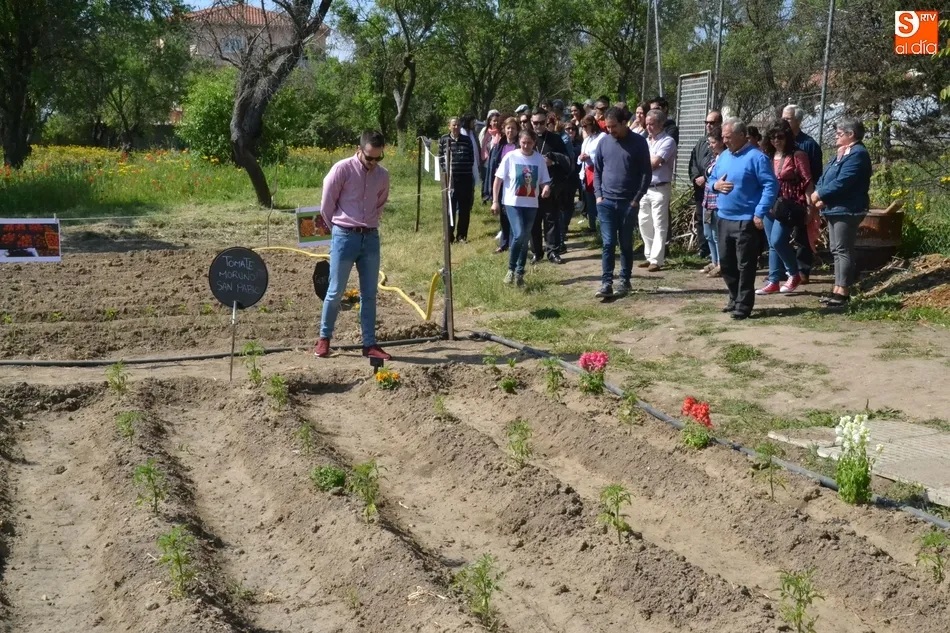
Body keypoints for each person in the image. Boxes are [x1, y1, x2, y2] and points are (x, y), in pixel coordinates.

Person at [315, 130, 392, 360]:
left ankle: (369, 344)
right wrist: (340, 229)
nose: (373, 163)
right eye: (369, 157)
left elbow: (380, 203)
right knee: (335, 290)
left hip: (370, 238)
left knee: (369, 293)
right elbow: (326, 205)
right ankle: (324, 339)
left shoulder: (383, 176)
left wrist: (368, 224)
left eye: (379, 158)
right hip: (344, 236)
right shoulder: (342, 169)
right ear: (359, 150)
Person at [709, 118, 779, 320]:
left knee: (745, 264)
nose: (725, 141)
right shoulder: (723, 157)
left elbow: (770, 186)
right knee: (727, 263)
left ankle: (744, 304)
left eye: (728, 137)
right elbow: (712, 179)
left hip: (746, 220)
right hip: (723, 217)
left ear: (742, 136)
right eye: (723, 137)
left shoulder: (757, 158)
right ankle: (734, 296)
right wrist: (716, 186)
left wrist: (760, 211)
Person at [810, 118, 872, 307]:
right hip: (834, 208)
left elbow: (844, 182)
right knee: (835, 249)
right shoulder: (842, 153)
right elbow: (825, 176)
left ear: (851, 134)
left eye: (839, 133)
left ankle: (843, 292)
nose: (836, 136)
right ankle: (837, 288)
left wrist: (820, 194)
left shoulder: (858, 154)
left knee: (843, 250)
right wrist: (819, 193)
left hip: (848, 209)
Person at [592, 107, 652, 298]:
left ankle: (625, 280)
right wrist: (598, 196)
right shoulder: (603, 142)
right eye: (608, 127)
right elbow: (598, 171)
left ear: (624, 122)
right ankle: (606, 283)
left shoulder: (639, 143)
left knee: (625, 244)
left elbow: (646, 173)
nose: (610, 130)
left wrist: (636, 200)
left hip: (628, 203)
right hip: (606, 202)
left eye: (614, 126)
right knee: (608, 243)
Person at [757, 119, 814, 295]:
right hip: (769, 204)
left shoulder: (798, 155)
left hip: (789, 205)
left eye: (780, 137)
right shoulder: (766, 155)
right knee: (772, 244)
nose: (776, 140)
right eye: (772, 137)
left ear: (787, 137)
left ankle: (794, 273)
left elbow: (808, 182)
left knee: (778, 240)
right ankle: (774, 280)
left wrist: (810, 207)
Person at [491, 128, 552, 288]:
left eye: (529, 143)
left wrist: (546, 187)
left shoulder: (539, 159)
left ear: (534, 143)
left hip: (531, 204)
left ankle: (519, 273)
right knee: (518, 235)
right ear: (519, 142)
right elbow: (498, 180)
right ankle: (511, 270)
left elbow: (545, 180)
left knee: (525, 239)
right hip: (513, 203)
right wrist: (495, 201)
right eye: (523, 142)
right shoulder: (510, 157)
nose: (526, 146)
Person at [783, 104, 823, 283]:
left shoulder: (809, 145)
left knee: (802, 235)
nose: (783, 122)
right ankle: (783, 270)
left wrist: (811, 202)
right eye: (782, 118)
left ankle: (803, 271)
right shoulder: (778, 141)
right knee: (780, 235)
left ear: (798, 121)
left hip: (802, 197)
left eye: (787, 119)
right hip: (783, 197)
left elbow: (816, 174)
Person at [528, 108, 571, 264]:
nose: (538, 126)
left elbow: (567, 160)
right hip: (531, 186)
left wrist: (553, 160)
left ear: (546, 121)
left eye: (541, 123)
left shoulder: (555, 139)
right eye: (535, 123)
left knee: (551, 219)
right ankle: (536, 252)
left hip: (551, 185)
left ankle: (553, 251)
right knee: (533, 221)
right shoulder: (528, 139)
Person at [639, 109, 677, 272]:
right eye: (647, 124)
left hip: (660, 187)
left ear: (661, 124)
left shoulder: (667, 141)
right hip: (643, 187)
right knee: (644, 222)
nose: (648, 127)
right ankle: (649, 255)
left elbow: (655, 162)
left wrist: (643, 162)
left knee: (659, 223)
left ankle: (657, 259)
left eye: (652, 124)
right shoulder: (645, 141)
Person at [688, 110, 723, 258]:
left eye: (712, 122)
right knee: (702, 220)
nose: (708, 125)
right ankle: (704, 248)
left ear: (719, 123)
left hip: (715, 192)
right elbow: (693, 161)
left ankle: (717, 257)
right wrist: (696, 176)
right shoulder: (701, 142)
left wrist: (705, 177)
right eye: (706, 122)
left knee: (715, 226)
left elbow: (716, 167)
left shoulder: (723, 147)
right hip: (701, 191)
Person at [483, 117, 521, 253]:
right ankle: (504, 243)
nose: (511, 130)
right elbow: (493, 167)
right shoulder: (499, 146)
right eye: (508, 128)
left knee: (514, 214)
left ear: (517, 130)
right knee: (503, 214)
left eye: (513, 128)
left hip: (516, 184)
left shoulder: (520, 145)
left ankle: (514, 242)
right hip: (501, 184)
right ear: (504, 129)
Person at [438, 116, 476, 243]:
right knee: (450, 208)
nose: (456, 127)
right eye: (454, 125)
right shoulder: (444, 139)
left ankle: (462, 236)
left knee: (464, 209)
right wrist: (448, 173)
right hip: (450, 180)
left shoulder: (466, 140)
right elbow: (440, 158)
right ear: (449, 126)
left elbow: (471, 158)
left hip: (465, 179)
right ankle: (449, 235)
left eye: (458, 125)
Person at [701, 126, 725, 277]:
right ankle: (714, 261)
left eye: (712, 142)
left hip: (717, 201)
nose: (710, 145)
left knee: (717, 235)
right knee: (708, 233)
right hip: (707, 201)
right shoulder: (712, 157)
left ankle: (722, 264)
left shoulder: (725, 158)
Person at [579, 115, 605, 233]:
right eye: (582, 126)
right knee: (589, 199)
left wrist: (590, 157)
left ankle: (601, 225)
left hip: (598, 170)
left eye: (586, 126)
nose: (584, 128)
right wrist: (581, 157)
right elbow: (581, 156)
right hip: (587, 171)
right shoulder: (587, 139)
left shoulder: (602, 137)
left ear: (592, 124)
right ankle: (592, 225)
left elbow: (603, 155)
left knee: (598, 198)